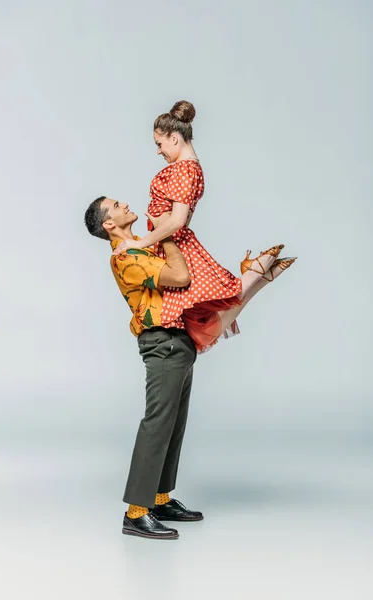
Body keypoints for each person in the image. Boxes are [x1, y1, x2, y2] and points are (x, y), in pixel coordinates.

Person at [115, 100, 296, 353]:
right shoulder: (188, 168)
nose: (158, 151)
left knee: (200, 314)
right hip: (169, 244)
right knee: (198, 319)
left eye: (159, 144)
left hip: (176, 246)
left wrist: (140, 242)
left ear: (175, 138)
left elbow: (178, 221)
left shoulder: (183, 170)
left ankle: (257, 272)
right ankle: (261, 274)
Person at [84, 196, 203, 540]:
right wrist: (166, 232)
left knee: (173, 424)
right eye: (116, 206)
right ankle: (137, 512)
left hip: (177, 339)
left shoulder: (140, 248)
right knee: (157, 424)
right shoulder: (127, 256)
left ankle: (161, 498)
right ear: (109, 225)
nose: (124, 204)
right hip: (161, 342)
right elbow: (180, 277)